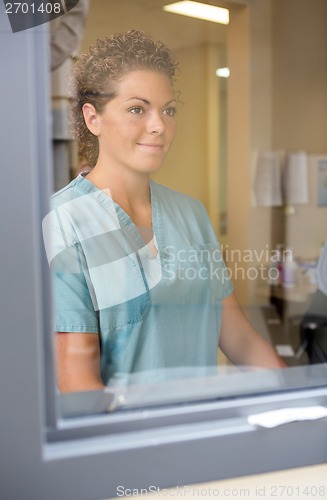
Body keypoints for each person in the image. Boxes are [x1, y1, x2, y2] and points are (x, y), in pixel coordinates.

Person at [43, 30, 286, 393]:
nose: (159, 126)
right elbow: (77, 381)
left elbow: (240, 338)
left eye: (168, 110)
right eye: (137, 109)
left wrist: (301, 400)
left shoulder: (191, 214)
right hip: (126, 442)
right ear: (92, 119)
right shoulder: (64, 221)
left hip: (199, 436)